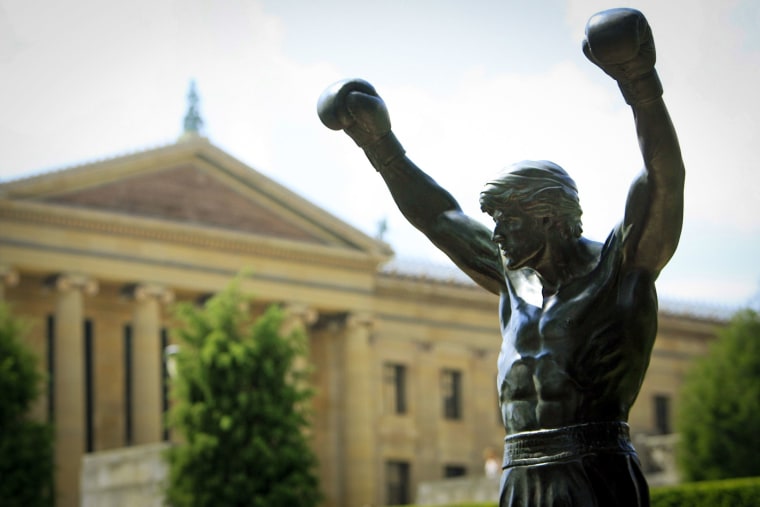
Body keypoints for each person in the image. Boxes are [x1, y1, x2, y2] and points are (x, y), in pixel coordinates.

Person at [317, 8, 683, 507]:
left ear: (550, 216)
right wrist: (380, 146)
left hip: (595, 473)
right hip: (519, 477)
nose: (497, 233)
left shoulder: (619, 271)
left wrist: (640, 81)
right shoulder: (515, 280)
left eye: (508, 219)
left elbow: (662, 181)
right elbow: (440, 218)